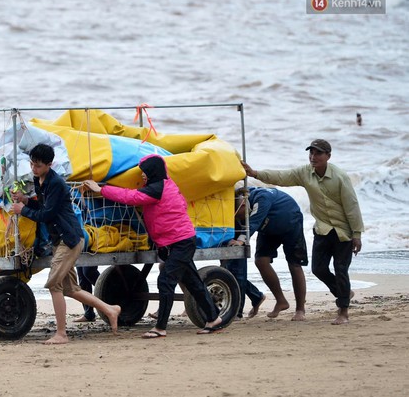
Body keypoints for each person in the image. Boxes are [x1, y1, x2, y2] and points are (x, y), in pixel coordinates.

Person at [84, 154, 223, 338]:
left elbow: (130, 197)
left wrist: (101, 189)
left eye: (145, 172)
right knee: (193, 282)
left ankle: (160, 327)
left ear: (153, 173)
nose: (142, 176)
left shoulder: (156, 189)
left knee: (165, 281)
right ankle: (214, 318)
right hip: (177, 242)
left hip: (181, 242)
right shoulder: (165, 184)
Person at [241, 139, 364, 325]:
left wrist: (357, 234)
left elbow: (352, 206)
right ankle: (342, 292)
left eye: (318, 154)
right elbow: (282, 177)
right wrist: (255, 173)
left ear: (328, 156)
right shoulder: (305, 173)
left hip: (343, 231)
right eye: (311, 153)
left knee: (340, 269)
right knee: (318, 269)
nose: (313, 157)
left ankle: (343, 312)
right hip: (322, 228)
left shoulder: (340, 177)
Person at [11, 143, 121, 345]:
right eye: (32, 164)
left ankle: (61, 334)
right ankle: (110, 309)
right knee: (70, 289)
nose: (33, 169)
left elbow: (47, 214)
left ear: (49, 164)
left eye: (38, 166)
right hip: (59, 240)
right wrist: (26, 201)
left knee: (54, 284)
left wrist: (22, 210)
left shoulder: (56, 184)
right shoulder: (39, 179)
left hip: (69, 239)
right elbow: (43, 206)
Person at [226, 187, 307, 321]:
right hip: (267, 228)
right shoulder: (242, 197)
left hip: (290, 222)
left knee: (294, 265)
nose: (239, 219)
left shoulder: (261, 198)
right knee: (261, 261)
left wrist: (240, 240)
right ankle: (281, 301)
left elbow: (253, 222)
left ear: (244, 205)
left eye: (239, 215)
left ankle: (300, 309)